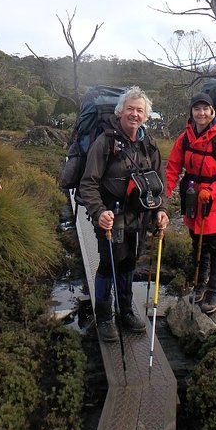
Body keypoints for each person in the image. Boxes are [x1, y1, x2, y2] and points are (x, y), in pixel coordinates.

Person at [79, 86, 169, 343]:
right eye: (129, 108)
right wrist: (98, 212)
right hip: (111, 217)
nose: (134, 113)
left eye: (139, 110)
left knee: (130, 262)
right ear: (120, 112)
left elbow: (159, 183)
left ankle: (126, 310)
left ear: (145, 115)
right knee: (109, 264)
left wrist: (161, 211)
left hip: (139, 219)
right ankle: (105, 315)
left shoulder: (149, 144)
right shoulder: (105, 142)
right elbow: (88, 183)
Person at [166, 92, 216, 314]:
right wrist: (166, 192)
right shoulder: (185, 138)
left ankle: (214, 289)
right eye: (197, 109)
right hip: (192, 196)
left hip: (215, 200)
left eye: (205, 109)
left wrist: (213, 189)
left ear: (212, 112)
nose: (201, 113)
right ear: (191, 112)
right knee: (197, 242)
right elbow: (173, 167)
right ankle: (200, 283)